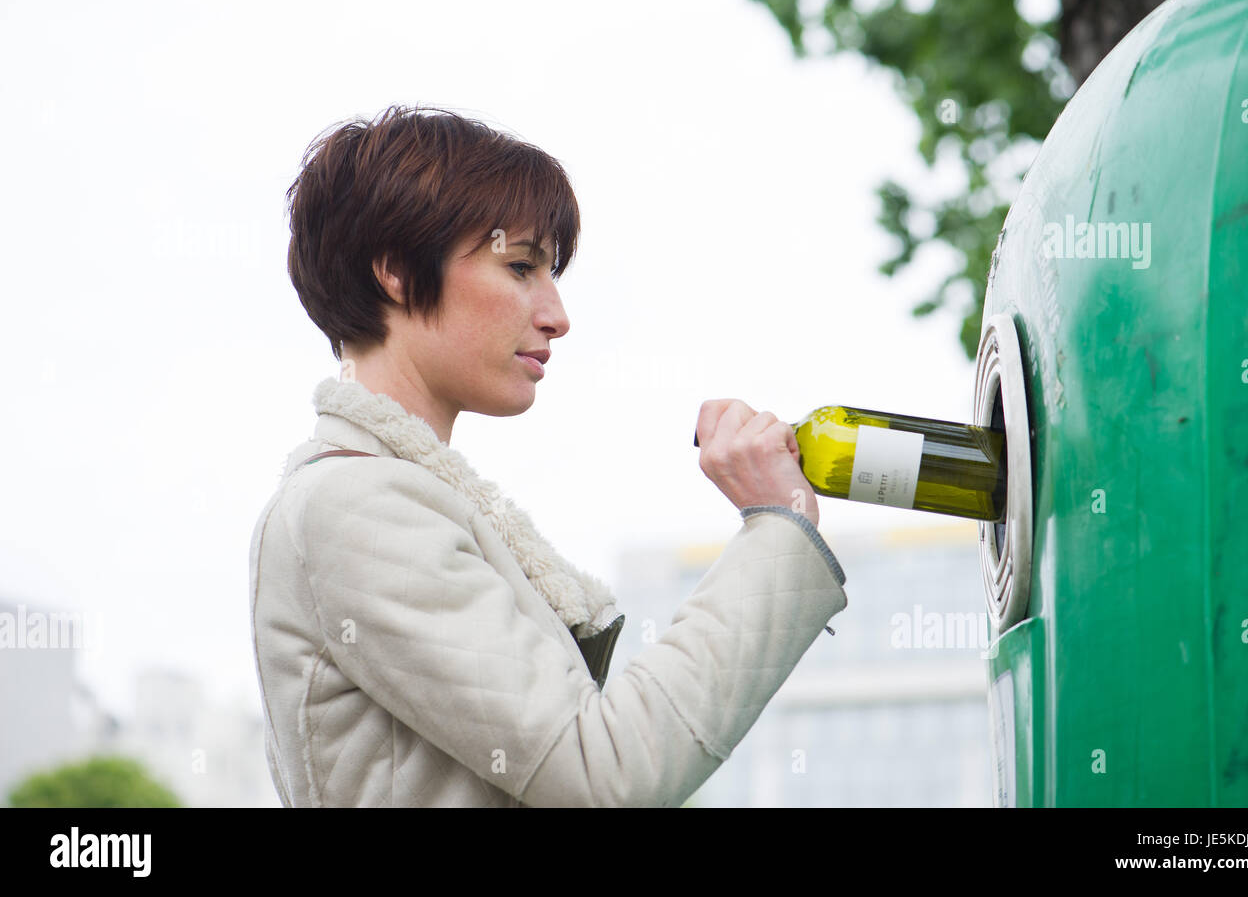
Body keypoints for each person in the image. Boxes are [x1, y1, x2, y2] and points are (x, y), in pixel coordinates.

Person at [248, 105, 848, 807]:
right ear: (397, 273)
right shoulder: (355, 507)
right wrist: (777, 525)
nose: (557, 314)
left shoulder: (388, 497)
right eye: (521, 266)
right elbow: (605, 772)